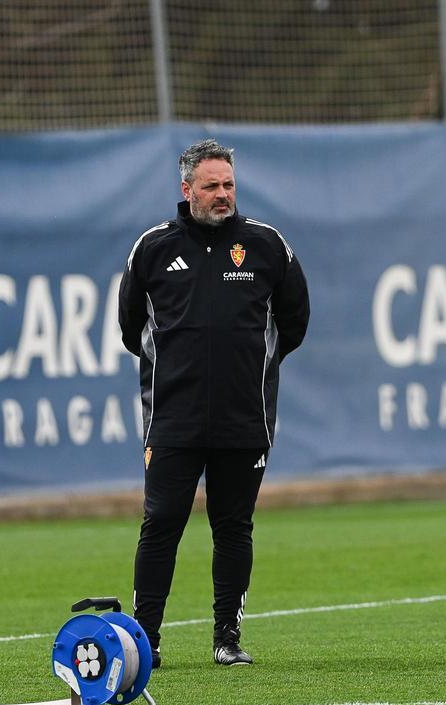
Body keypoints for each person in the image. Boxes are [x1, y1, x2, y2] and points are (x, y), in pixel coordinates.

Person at [118, 138, 310, 667]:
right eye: (211, 186)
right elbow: (131, 327)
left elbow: (293, 322)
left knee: (233, 526)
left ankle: (227, 638)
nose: (222, 194)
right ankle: (145, 642)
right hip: (173, 419)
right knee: (161, 525)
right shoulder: (153, 248)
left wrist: (253, 368)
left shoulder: (267, 245)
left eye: (228, 184)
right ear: (187, 190)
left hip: (243, 418)